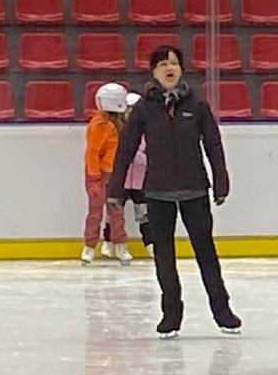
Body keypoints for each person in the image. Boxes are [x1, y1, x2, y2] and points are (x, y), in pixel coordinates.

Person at [108, 44, 241, 337]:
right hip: (157, 192)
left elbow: (213, 145)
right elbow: (126, 150)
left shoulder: (198, 105)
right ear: (153, 71)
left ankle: (222, 311)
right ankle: (171, 314)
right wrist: (116, 188)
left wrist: (221, 182)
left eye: (174, 63)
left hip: (195, 190)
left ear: (181, 69)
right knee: (164, 256)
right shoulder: (143, 109)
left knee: (206, 253)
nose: (169, 68)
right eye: (162, 64)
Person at [82, 82, 132, 265]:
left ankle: (120, 245)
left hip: (114, 173)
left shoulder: (120, 123)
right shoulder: (100, 125)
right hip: (99, 173)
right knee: (96, 212)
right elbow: (93, 152)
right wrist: (94, 178)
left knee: (117, 211)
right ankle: (89, 246)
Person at [122, 89, 150, 248]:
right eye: (128, 109)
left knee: (144, 213)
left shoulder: (148, 132)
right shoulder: (119, 130)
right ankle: (112, 242)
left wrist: (138, 156)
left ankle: (150, 242)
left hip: (141, 182)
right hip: (122, 180)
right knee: (115, 213)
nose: (130, 113)